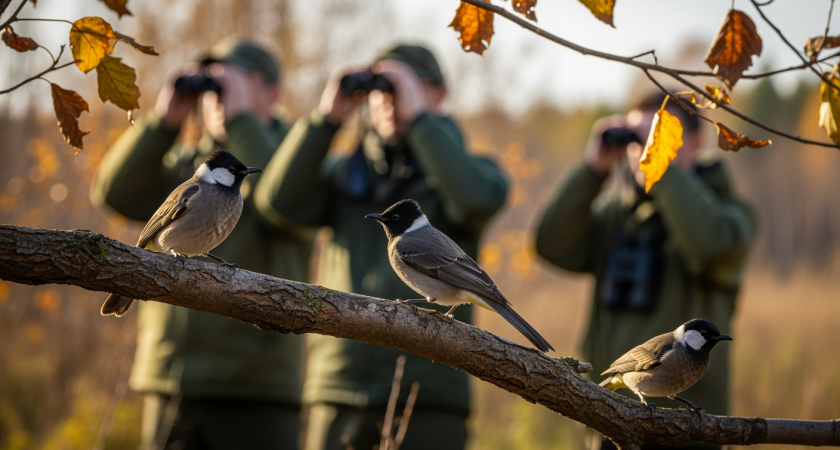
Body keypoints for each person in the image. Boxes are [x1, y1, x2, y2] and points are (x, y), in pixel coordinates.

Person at [254, 44, 509, 450]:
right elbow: (276, 202)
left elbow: (479, 199)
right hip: (337, 389)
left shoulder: (467, 172)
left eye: (404, 87)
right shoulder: (341, 172)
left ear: (438, 95)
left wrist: (420, 120)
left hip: (432, 393)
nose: (390, 101)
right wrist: (325, 119)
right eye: (381, 89)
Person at [90, 38, 312, 450]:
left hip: (259, 387)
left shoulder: (298, 155)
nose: (218, 99)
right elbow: (115, 194)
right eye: (213, 90)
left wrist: (242, 120)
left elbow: (285, 199)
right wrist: (163, 121)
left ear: (271, 93)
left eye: (232, 86)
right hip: (171, 381)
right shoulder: (187, 170)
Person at [534, 93, 755, 450]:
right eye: (639, 139)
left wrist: (661, 168)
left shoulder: (731, 214)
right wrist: (594, 170)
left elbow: (713, 245)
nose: (645, 149)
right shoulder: (614, 214)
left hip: (690, 431)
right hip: (612, 416)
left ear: (695, 142)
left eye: (659, 137)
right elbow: (551, 245)